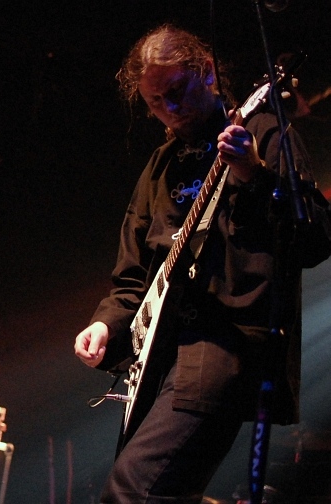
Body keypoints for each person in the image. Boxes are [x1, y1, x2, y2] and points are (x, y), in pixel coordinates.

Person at [72, 24, 331, 503]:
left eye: (177, 92)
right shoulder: (161, 164)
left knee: (132, 491)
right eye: (154, 102)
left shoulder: (263, 132)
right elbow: (133, 275)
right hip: (159, 356)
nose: (169, 110)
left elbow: (315, 238)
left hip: (223, 348)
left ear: (207, 73)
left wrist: (254, 174)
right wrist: (107, 323)